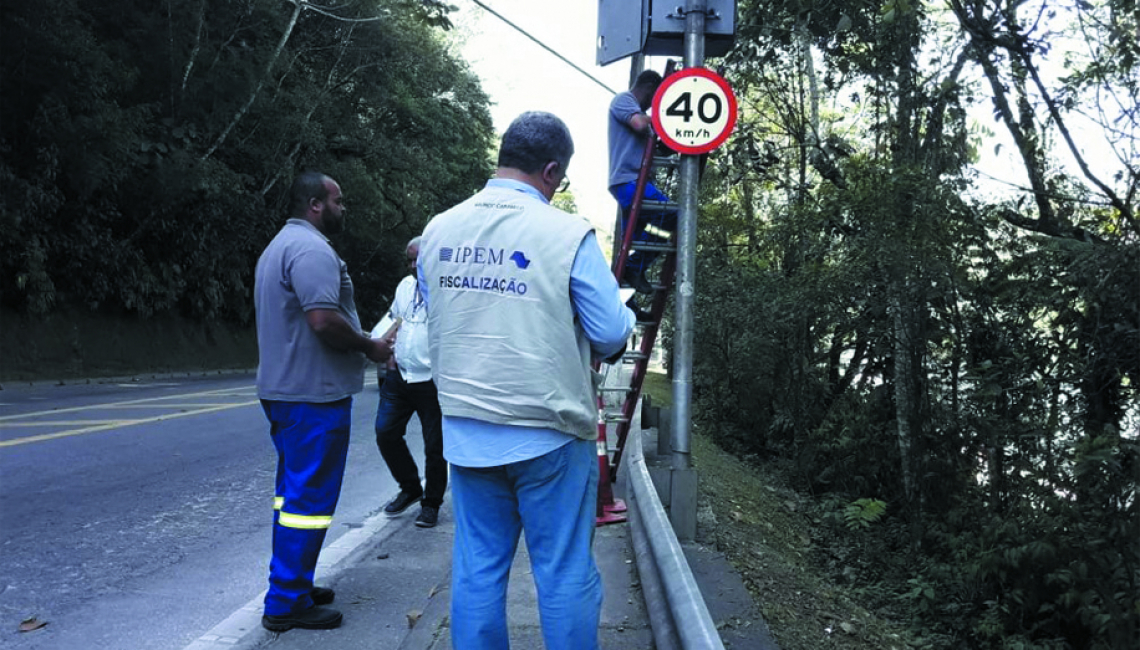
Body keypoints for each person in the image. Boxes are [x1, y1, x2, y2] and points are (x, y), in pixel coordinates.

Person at [419, 111, 635, 650]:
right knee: (562, 572)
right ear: (551, 171)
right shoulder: (566, 233)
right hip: (550, 434)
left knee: (477, 570)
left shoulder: (438, 229)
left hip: (467, 433)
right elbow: (609, 333)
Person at [254, 171, 392, 632]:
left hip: (286, 391)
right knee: (307, 502)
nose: (343, 208)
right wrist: (369, 346)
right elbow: (322, 320)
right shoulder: (312, 250)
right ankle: (287, 600)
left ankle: (293, 582)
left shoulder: (280, 246)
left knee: (290, 497)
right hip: (312, 395)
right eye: (338, 200)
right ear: (315, 204)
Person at [375, 236, 446, 528]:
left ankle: (431, 504)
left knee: (435, 447)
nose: (414, 265)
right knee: (385, 433)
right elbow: (394, 319)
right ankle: (410, 487)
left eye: (419, 259)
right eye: (409, 260)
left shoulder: (445, 290)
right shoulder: (405, 286)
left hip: (431, 381)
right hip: (400, 376)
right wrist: (382, 347)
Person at [607, 69, 677, 295]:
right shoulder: (624, 100)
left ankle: (628, 299)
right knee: (673, 215)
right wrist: (667, 116)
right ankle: (633, 267)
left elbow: (651, 146)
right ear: (648, 88)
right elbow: (638, 124)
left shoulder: (642, 116)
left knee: (637, 240)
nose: (652, 106)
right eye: (655, 99)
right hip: (628, 181)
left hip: (635, 182)